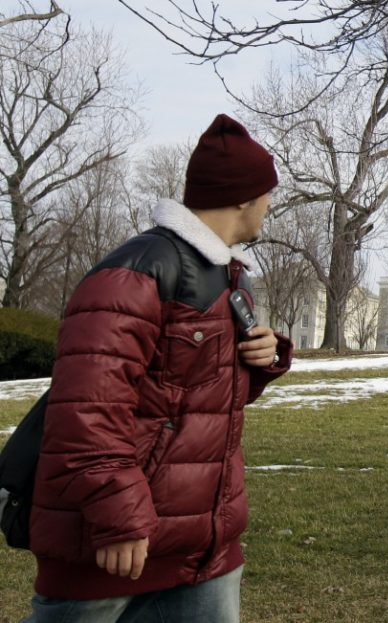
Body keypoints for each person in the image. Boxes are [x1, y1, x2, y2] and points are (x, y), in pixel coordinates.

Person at [23, 114, 294, 623]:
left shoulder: (230, 274)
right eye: (267, 194)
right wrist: (119, 519)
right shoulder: (137, 271)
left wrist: (259, 358)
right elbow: (85, 410)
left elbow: (190, 394)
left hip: (202, 546)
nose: (269, 206)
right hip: (117, 546)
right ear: (243, 197)